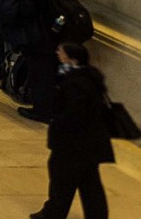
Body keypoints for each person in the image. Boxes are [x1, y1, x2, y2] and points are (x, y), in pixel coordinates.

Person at [34, 41, 115, 219]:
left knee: (62, 179)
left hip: (74, 144)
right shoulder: (88, 76)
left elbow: (73, 114)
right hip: (88, 144)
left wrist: (57, 123)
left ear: (71, 58)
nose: (57, 53)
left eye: (61, 51)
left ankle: (54, 213)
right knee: (89, 182)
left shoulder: (76, 84)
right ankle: (95, 215)